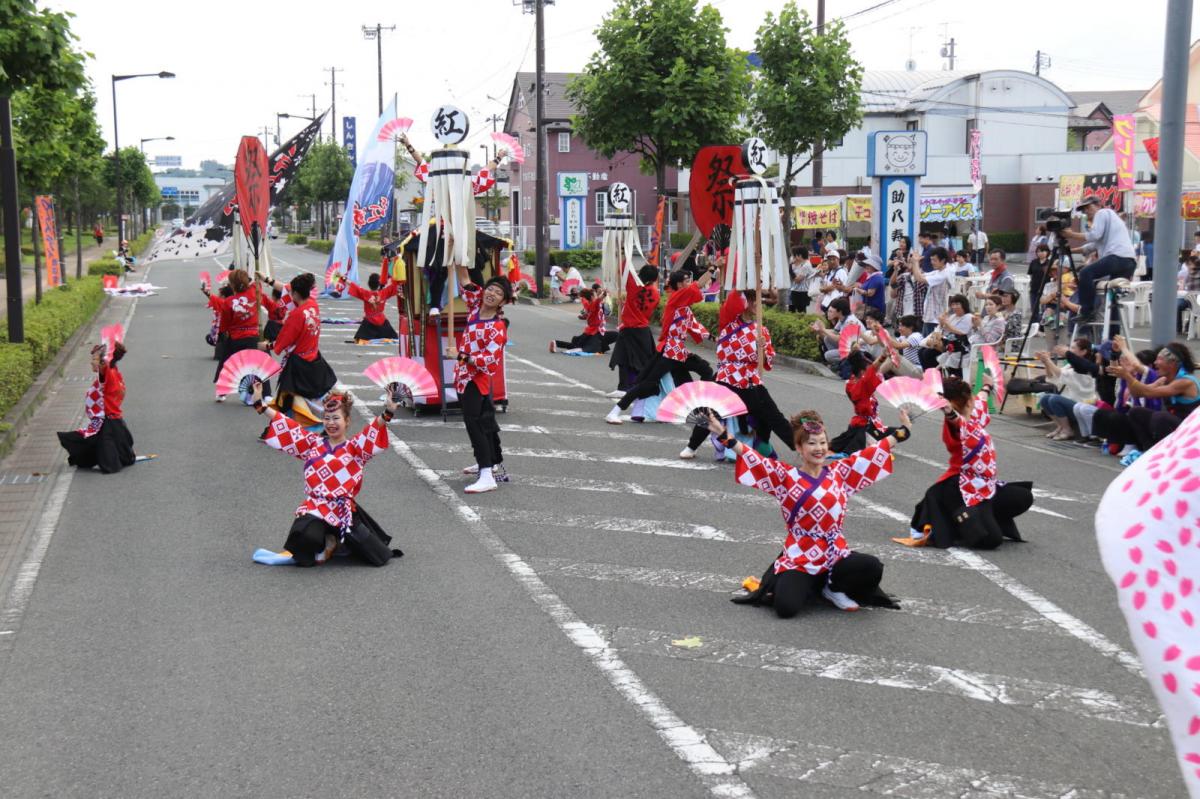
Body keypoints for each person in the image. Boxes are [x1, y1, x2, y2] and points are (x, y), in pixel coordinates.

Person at [714, 408, 911, 616]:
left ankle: (832, 588)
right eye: (812, 443)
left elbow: (876, 451)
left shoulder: (841, 472)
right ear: (799, 447)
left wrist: (904, 430)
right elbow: (753, 458)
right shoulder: (786, 476)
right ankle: (808, 583)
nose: (819, 448)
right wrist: (723, 435)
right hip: (801, 556)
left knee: (872, 566)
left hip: (834, 553)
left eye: (823, 443)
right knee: (786, 608)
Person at [249, 384, 403, 568]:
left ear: (347, 421)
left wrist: (388, 411)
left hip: (342, 510)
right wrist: (259, 403)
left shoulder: (355, 448)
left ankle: (336, 540)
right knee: (303, 538)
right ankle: (328, 540)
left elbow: (373, 429)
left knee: (376, 557)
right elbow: (287, 426)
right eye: (327, 418)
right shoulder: (312, 443)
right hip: (315, 507)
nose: (330, 423)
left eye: (336, 418)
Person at [895, 375, 1034, 549]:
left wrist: (986, 387)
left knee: (1023, 497)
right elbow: (958, 422)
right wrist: (948, 411)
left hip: (984, 485)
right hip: (961, 487)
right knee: (991, 540)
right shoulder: (957, 426)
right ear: (968, 401)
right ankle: (960, 522)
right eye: (972, 396)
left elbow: (982, 401)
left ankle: (982, 517)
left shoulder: (975, 414)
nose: (976, 399)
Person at [680, 289, 794, 459]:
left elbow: (767, 362)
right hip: (727, 376)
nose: (757, 304)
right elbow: (733, 299)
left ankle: (797, 447)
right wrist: (743, 281)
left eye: (758, 300)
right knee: (710, 411)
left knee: (772, 416)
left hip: (750, 379)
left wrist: (762, 349)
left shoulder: (761, 330)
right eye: (753, 300)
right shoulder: (728, 322)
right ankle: (692, 446)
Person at [605, 267, 716, 424]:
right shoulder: (676, 298)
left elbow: (695, 326)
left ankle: (701, 413)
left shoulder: (683, 307)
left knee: (703, 371)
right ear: (678, 285)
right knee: (648, 384)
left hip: (678, 351)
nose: (689, 283)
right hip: (670, 349)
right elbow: (698, 286)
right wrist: (713, 268)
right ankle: (614, 411)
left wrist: (715, 338)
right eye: (686, 281)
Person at [449, 267, 512, 493]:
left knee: (474, 424)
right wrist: (455, 249)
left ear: (502, 302)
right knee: (485, 421)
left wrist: (461, 355)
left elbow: (489, 361)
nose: (491, 293)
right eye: (490, 289)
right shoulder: (475, 307)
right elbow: (464, 277)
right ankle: (490, 461)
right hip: (463, 375)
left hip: (477, 379)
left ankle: (486, 474)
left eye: (498, 293)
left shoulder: (497, 327)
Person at [258, 273, 338, 420]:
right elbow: (286, 288)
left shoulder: (296, 315)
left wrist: (265, 346)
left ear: (295, 293)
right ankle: (285, 426)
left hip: (298, 364)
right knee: (310, 397)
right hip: (313, 357)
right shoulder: (313, 304)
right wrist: (266, 279)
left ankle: (282, 427)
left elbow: (281, 343)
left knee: (286, 397)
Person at [1105, 342, 1200, 457]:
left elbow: (1146, 392)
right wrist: (1127, 376)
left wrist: (1127, 376)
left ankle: (1168, 454)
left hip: (1192, 431)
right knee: (1136, 412)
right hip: (1178, 425)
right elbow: (1138, 393)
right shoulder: (1165, 379)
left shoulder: (1185, 382)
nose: (1155, 363)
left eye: (1159, 359)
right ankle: (1149, 451)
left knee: (1160, 417)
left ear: (1172, 363)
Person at [57, 337, 136, 474]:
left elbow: (105, 365)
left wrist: (107, 351)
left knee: (112, 464)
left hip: (109, 422)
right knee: (121, 455)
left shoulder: (108, 374)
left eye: (94, 359)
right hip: (107, 420)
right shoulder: (114, 371)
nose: (91, 362)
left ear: (103, 362)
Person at [1061, 196, 1137, 325]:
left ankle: (1086, 311)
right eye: (1084, 210)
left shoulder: (1102, 213)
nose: (1086, 212)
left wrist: (1070, 234)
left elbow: (1094, 236)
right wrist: (1070, 250)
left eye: (1088, 207)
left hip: (1117, 257)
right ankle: (1113, 334)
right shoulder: (1111, 219)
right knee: (1112, 298)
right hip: (1128, 261)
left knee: (1086, 273)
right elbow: (1091, 247)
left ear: (1098, 205)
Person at [203, 269, 267, 401]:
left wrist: (221, 333)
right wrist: (257, 277)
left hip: (236, 338)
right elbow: (257, 284)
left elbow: (225, 323)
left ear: (232, 285)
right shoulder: (254, 292)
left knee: (226, 364)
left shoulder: (229, 301)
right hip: (253, 337)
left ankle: (222, 392)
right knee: (258, 364)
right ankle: (266, 394)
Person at [607, 264, 661, 398]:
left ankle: (624, 387)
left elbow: (625, 268)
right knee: (644, 361)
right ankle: (643, 387)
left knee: (623, 358)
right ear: (654, 279)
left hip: (629, 329)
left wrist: (625, 250)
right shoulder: (655, 293)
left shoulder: (634, 286)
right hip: (643, 331)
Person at [828, 349, 888, 454]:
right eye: (867, 369)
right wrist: (882, 356)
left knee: (895, 435)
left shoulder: (853, 381)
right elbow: (873, 369)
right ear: (862, 372)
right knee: (856, 450)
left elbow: (872, 370)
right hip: (864, 426)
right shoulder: (860, 386)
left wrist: (856, 351)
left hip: (871, 423)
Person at [1036, 340, 1099, 440]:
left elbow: (1061, 374)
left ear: (1083, 352)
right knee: (1044, 398)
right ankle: (1061, 426)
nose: (1070, 350)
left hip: (1081, 405)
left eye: (1073, 348)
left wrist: (1048, 360)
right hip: (1071, 403)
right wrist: (1046, 363)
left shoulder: (1086, 368)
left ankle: (1067, 429)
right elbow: (1052, 377)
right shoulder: (1070, 365)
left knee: (1054, 399)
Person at [550, 285, 615, 354]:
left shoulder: (587, 304)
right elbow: (599, 299)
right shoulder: (594, 303)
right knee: (579, 347)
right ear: (592, 297)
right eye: (594, 295)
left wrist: (584, 316)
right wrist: (605, 292)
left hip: (597, 331)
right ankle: (556, 343)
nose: (596, 295)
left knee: (616, 335)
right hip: (594, 332)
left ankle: (556, 343)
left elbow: (590, 304)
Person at [911, 246, 953, 335]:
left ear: (943, 260)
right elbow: (920, 276)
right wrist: (915, 263)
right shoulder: (938, 272)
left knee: (929, 346)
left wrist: (915, 262)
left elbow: (919, 278)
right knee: (925, 344)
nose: (932, 262)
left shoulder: (943, 275)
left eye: (934, 260)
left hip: (935, 318)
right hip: (930, 315)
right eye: (931, 259)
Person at [811, 297, 860, 372]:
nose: (828, 313)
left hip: (858, 350)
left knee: (828, 355)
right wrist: (819, 329)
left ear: (839, 311)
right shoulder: (842, 318)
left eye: (831, 311)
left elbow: (838, 338)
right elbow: (834, 332)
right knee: (827, 339)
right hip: (849, 347)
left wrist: (823, 329)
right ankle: (839, 364)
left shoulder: (850, 321)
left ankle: (843, 365)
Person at [347, 273, 401, 341]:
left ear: (369, 284)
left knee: (359, 338)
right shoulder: (384, 292)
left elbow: (354, 286)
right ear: (379, 285)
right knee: (393, 336)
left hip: (369, 322)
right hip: (382, 322)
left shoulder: (365, 293)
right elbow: (395, 286)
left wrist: (342, 278)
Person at [1027, 243, 1054, 311]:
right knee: (1034, 308)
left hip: (1045, 289)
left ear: (1047, 252)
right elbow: (1030, 274)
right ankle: (1034, 320)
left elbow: (1053, 275)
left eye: (1042, 251)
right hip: (1034, 288)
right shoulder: (1033, 262)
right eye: (1038, 251)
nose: (1040, 253)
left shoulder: (1050, 263)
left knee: (1044, 309)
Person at [788, 246, 815, 314]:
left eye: (794, 255)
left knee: (801, 311)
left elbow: (797, 280)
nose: (793, 257)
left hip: (802, 292)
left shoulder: (806, 265)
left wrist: (790, 267)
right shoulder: (799, 264)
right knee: (792, 310)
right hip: (795, 290)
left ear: (799, 255)